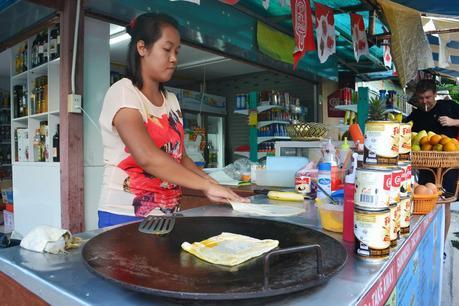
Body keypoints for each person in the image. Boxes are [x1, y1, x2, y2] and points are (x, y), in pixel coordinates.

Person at [98, 13, 247, 228]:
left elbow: (180, 157)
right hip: (126, 212)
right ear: (142, 48)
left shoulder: (171, 101)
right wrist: (204, 187)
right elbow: (147, 157)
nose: (174, 58)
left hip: (167, 213)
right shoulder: (124, 92)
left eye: (176, 51)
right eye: (167, 49)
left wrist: (214, 184)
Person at [405, 79, 459, 250]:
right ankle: (428, 246)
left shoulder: (449, 106)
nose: (424, 102)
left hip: (448, 166)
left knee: (444, 204)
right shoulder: (416, 115)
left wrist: (453, 122)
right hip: (426, 166)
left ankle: (440, 248)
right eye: (421, 98)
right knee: (426, 203)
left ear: (435, 94)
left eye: (428, 97)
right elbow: (404, 130)